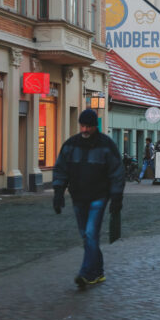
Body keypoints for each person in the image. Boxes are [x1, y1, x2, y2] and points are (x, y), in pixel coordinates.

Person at [52, 109, 124, 288]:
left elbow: (117, 172)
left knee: (91, 233)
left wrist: (116, 196)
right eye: (82, 126)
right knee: (86, 236)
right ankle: (98, 271)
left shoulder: (106, 145)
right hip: (78, 197)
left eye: (88, 127)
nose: (84, 130)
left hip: (99, 196)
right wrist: (58, 192)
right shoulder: (71, 145)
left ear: (95, 127)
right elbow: (61, 168)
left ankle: (85, 274)